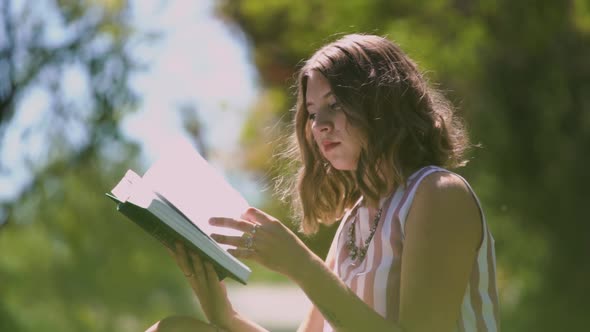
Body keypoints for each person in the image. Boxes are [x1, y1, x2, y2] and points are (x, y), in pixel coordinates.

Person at [146, 33, 500, 332]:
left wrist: (300, 264)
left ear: (383, 103)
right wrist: (222, 312)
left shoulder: (439, 195)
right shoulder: (354, 221)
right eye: (314, 113)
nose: (320, 125)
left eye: (336, 104)